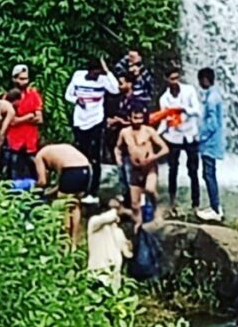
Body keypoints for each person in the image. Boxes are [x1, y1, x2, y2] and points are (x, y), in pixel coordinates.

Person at [64, 57, 119, 201]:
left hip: (96, 120)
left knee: (95, 157)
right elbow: (68, 94)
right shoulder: (78, 76)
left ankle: (93, 192)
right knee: (81, 155)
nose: (96, 76)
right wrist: (77, 100)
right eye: (95, 73)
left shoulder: (103, 79)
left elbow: (115, 89)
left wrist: (107, 72)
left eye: (99, 73)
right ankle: (80, 188)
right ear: (89, 71)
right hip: (79, 120)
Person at [114, 107, 169, 227]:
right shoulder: (124, 132)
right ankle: (138, 224)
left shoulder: (149, 131)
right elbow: (117, 147)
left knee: (150, 189)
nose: (138, 121)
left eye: (140, 118)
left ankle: (157, 208)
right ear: (129, 118)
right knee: (134, 203)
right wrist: (118, 158)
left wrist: (153, 157)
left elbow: (165, 148)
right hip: (135, 169)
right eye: (135, 118)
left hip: (149, 167)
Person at [157, 67, 202, 213]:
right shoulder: (164, 99)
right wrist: (155, 136)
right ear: (166, 80)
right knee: (173, 170)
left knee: (193, 171)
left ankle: (196, 204)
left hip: (190, 135)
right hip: (174, 137)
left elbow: (197, 110)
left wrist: (183, 109)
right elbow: (164, 121)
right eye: (172, 79)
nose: (175, 81)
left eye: (177, 78)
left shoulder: (189, 90)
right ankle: (172, 202)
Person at [34, 142, 92, 247]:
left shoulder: (39, 155)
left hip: (70, 169)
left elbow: (42, 182)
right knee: (75, 204)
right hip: (86, 169)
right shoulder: (58, 150)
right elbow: (62, 184)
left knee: (63, 204)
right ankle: (74, 242)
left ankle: (65, 241)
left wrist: (34, 191)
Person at [0, 64, 43, 180]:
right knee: (13, 176)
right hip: (14, 142)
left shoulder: (34, 95)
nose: (24, 82)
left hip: (30, 142)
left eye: (26, 79)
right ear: (14, 79)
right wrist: (29, 117)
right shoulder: (7, 98)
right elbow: (11, 122)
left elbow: (39, 119)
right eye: (21, 79)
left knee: (33, 175)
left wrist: (20, 119)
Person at [86, 198, 135, 291]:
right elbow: (107, 218)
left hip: (114, 277)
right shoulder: (94, 223)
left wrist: (129, 245)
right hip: (98, 274)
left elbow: (128, 253)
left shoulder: (118, 231)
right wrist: (117, 210)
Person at [197, 67, 225, 222]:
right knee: (208, 174)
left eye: (200, 80)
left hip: (210, 143)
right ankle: (215, 206)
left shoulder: (212, 98)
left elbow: (212, 123)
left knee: (208, 175)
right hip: (211, 143)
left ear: (205, 80)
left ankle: (215, 209)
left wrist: (200, 136)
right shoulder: (213, 95)